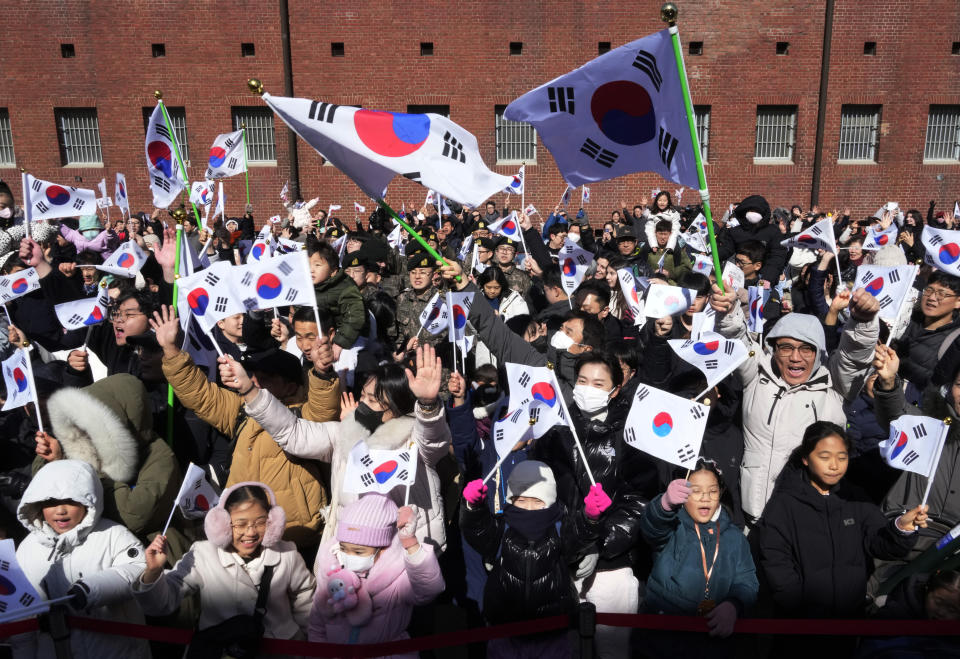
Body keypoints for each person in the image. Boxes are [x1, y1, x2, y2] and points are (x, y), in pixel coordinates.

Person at [218, 344, 452, 556]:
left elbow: (433, 439)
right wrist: (249, 390)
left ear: (397, 407)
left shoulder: (415, 440)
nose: (363, 405)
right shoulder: (345, 434)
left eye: (373, 401)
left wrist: (428, 405)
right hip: (350, 557)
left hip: (403, 556)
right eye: (363, 397)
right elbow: (293, 433)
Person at [153, 305, 336, 549]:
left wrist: (323, 374)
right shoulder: (243, 409)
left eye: (268, 377)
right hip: (240, 531)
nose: (256, 381)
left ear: (292, 386)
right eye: (254, 375)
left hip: (293, 535)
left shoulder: (304, 416)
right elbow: (200, 395)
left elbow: (324, 409)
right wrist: (171, 349)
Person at [708, 283, 880, 522]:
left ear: (819, 353)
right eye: (786, 347)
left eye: (806, 349)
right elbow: (736, 338)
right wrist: (728, 311)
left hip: (802, 520)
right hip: (748, 513)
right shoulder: (757, 373)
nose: (795, 357)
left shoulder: (836, 386)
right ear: (773, 349)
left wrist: (862, 324)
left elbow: (854, 357)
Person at [757, 421, 927, 619]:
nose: (834, 465)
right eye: (824, 457)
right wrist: (795, 603)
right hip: (800, 623)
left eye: (842, 457)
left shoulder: (856, 499)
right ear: (805, 458)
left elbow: (882, 546)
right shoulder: (784, 504)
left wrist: (901, 528)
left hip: (849, 620)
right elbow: (775, 559)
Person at [135, 483, 315, 654]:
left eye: (260, 522)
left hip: (279, 652)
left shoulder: (287, 553)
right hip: (221, 651)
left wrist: (306, 643)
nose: (251, 532)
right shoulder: (203, 554)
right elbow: (161, 604)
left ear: (272, 521)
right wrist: (153, 572)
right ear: (221, 525)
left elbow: (306, 599)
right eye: (241, 524)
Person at [460, 460, 609, 658]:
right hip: (506, 632)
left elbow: (578, 536)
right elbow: (478, 531)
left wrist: (590, 518)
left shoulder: (558, 527)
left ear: (549, 501)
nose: (529, 507)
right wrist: (473, 508)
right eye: (521, 500)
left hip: (552, 634)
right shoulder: (501, 528)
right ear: (511, 500)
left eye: (538, 501)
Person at [12, 460, 150, 659]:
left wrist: (92, 590)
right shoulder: (27, 549)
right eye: (50, 502)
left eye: (70, 500)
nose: (60, 510)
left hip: (116, 650)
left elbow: (138, 569)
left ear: (89, 500)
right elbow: (21, 612)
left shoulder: (111, 534)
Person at [34, 373, 184, 554]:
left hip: (146, 558)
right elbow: (37, 494)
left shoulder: (160, 459)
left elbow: (132, 516)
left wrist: (89, 469)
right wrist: (54, 461)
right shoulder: (83, 443)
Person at [635, 459, 758, 658]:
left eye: (712, 491)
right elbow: (653, 527)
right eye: (696, 491)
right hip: (664, 639)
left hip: (713, 640)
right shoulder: (673, 527)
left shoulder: (735, 537)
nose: (705, 498)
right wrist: (664, 504)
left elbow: (747, 580)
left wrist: (733, 605)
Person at [308, 494, 445, 652]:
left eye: (359, 552)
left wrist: (410, 543)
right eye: (344, 548)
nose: (348, 555)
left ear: (382, 549)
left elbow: (429, 589)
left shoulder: (397, 577)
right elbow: (317, 624)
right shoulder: (331, 572)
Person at [308, 236, 366, 355]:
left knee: (346, 358)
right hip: (319, 334)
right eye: (308, 265)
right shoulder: (306, 287)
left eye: (317, 265)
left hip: (348, 336)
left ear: (333, 270)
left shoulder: (345, 287)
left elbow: (355, 317)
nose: (311, 270)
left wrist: (339, 343)